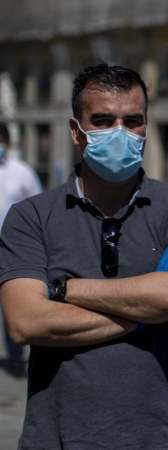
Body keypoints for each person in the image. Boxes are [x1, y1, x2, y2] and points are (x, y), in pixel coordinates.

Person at [0, 63, 168, 449]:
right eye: (102, 120)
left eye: (133, 121)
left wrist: (65, 289)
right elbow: (25, 321)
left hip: (160, 436)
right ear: (75, 131)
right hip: (56, 437)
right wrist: (148, 316)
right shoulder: (30, 215)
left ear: (146, 126)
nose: (120, 133)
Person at [0, 122, 42, 377]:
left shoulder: (22, 172)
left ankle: (16, 356)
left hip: (12, 245)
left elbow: (36, 202)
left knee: (11, 298)